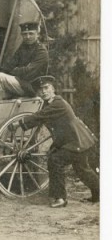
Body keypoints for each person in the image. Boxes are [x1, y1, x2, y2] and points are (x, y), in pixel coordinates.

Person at [18, 75, 99, 207]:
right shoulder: (49, 104)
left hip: (77, 141)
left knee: (56, 160)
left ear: (53, 89)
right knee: (82, 169)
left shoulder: (58, 103)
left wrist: (19, 124)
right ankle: (100, 194)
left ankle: (60, 199)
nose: (44, 91)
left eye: (46, 88)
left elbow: (40, 116)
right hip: (75, 140)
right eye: (41, 89)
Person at [0, 22, 49, 103]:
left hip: (32, 87)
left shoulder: (41, 51)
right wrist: (16, 70)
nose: (28, 37)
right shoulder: (23, 47)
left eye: (31, 34)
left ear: (37, 34)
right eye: (24, 34)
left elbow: (28, 72)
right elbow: (9, 65)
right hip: (20, 84)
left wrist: (14, 71)